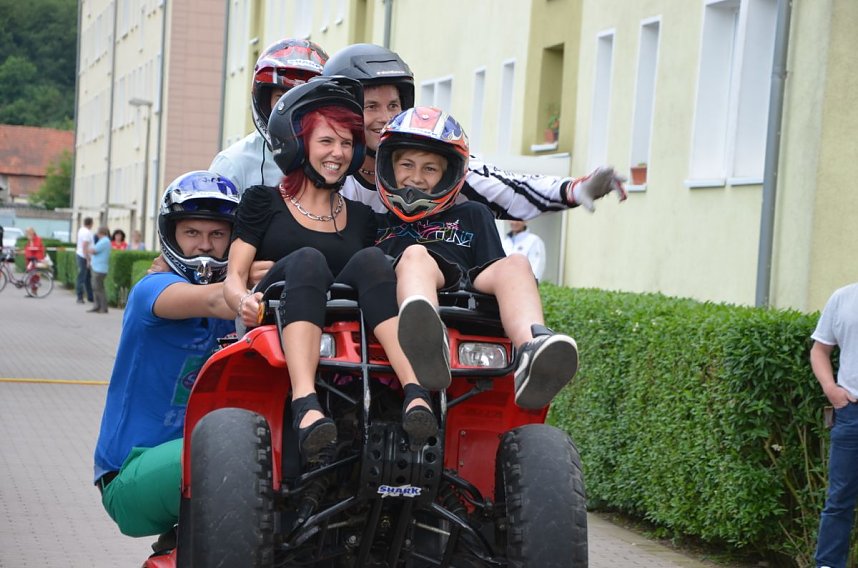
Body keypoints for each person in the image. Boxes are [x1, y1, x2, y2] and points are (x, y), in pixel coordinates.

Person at [223, 77, 437, 463]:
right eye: (326, 141)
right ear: (298, 144)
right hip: (272, 321)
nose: (337, 153)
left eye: (346, 143)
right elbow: (234, 278)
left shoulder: (363, 218)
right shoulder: (263, 201)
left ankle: (415, 393)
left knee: (374, 260)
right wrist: (244, 300)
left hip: (349, 342)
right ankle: (305, 404)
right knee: (308, 259)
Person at [374, 107, 578, 409]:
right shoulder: (378, 224)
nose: (415, 178)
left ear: (449, 175)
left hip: (465, 288)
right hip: (403, 301)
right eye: (407, 165)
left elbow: (493, 269)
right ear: (389, 167)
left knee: (517, 263)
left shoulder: (473, 213)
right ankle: (427, 339)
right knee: (416, 256)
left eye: (430, 169)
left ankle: (532, 347)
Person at [93, 171, 239, 539]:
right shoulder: (151, 288)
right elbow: (213, 299)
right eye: (192, 233)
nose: (204, 246)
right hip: (130, 474)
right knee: (238, 456)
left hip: (190, 462)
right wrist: (253, 278)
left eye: (217, 234)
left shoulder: (235, 299)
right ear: (171, 234)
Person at [322, 43, 627, 218]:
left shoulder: (437, 164)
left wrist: (576, 189)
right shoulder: (324, 172)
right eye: (370, 106)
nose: (384, 118)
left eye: (393, 105)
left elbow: (509, 189)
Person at [210, 38, 329, 194]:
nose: (291, 108)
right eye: (281, 98)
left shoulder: (336, 159)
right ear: (265, 102)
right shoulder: (233, 164)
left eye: (303, 100)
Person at [812, 282, 858, 568]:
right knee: (839, 499)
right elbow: (820, 350)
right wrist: (831, 388)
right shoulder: (844, 298)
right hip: (851, 411)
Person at [89, 226, 112, 313]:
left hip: (99, 268)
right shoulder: (104, 241)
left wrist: (88, 249)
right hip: (97, 267)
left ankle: (103, 307)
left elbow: (93, 250)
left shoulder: (104, 241)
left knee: (98, 288)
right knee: (96, 288)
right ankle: (97, 306)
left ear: (100, 233)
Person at [75, 217, 94, 304]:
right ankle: (80, 297)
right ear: (91, 223)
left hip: (80, 255)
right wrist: (87, 259)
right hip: (83, 256)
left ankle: (90, 296)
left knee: (86, 277)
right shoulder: (87, 232)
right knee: (82, 277)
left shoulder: (81, 230)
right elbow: (84, 246)